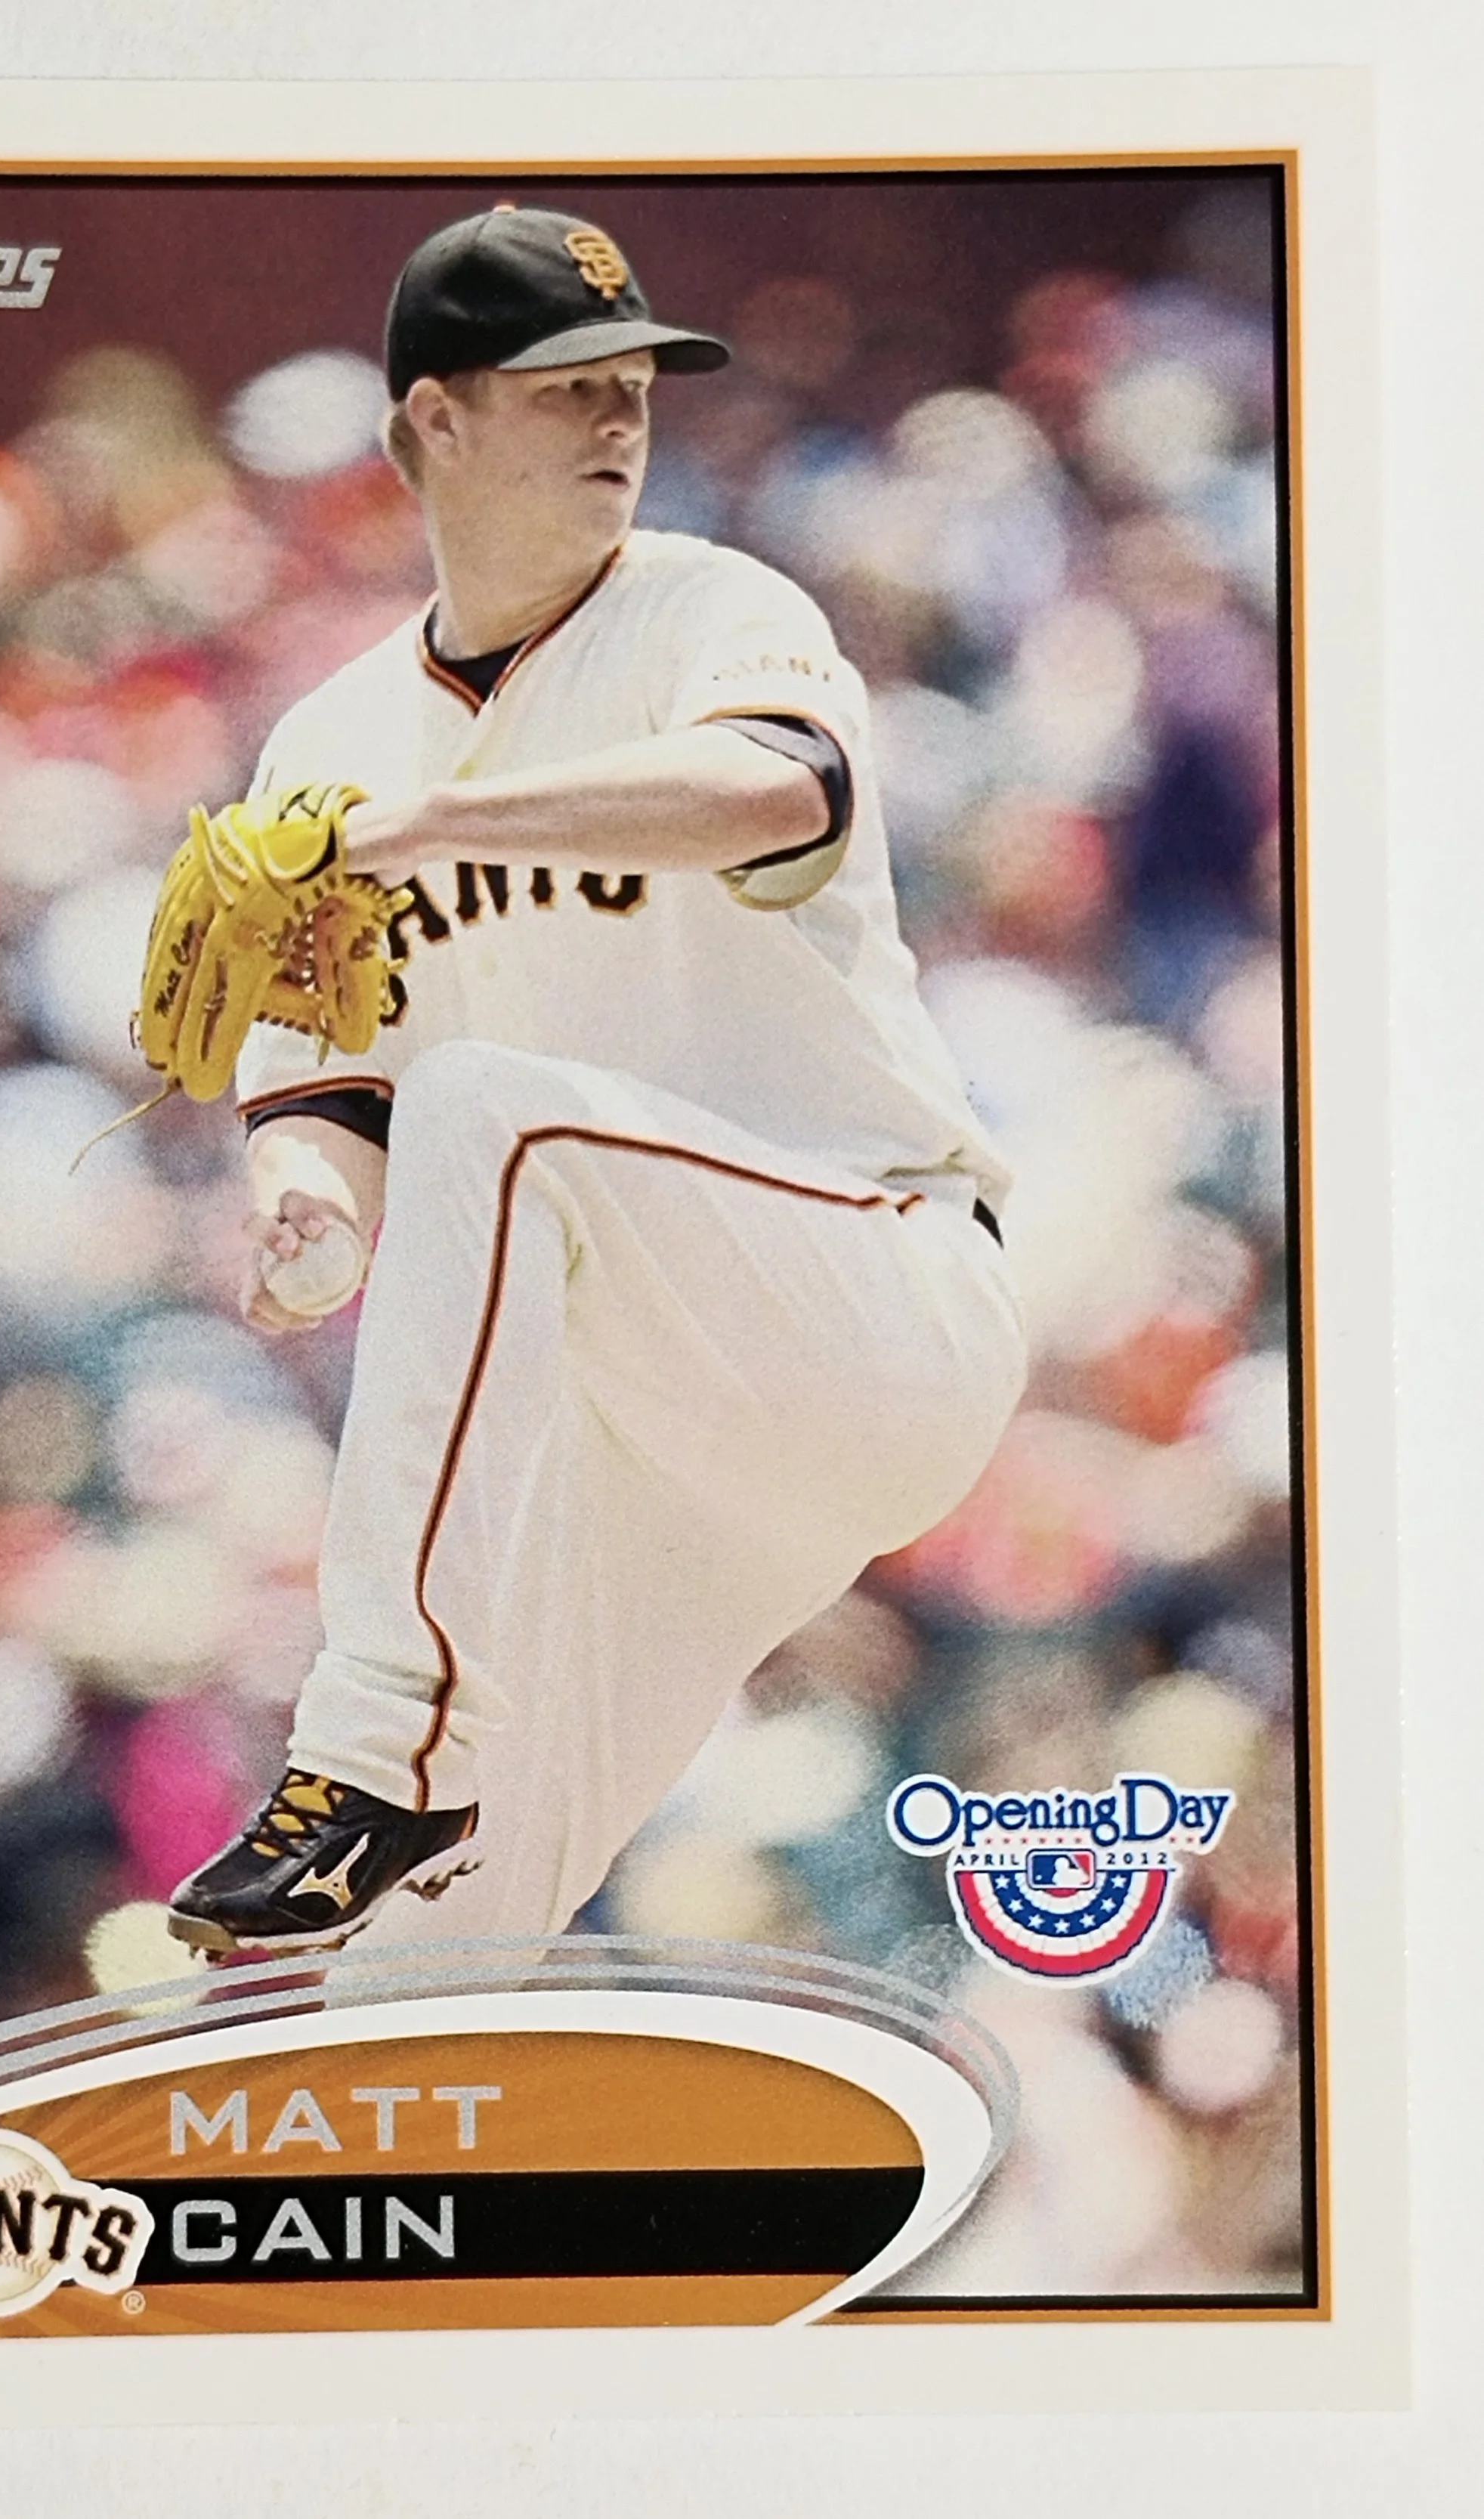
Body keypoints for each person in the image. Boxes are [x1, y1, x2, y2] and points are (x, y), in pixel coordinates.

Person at [166, 204, 1026, 1955]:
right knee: (402, 1964)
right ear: (433, 420)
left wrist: (439, 825)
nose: (620, 411)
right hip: (648, 1433)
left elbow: (776, 790)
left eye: (632, 379)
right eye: (564, 382)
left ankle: (370, 1748)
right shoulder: (327, 744)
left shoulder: (712, 609)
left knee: (495, 1106)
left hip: (871, 1298)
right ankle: (390, 1987)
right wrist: (308, 1209)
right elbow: (327, 1093)